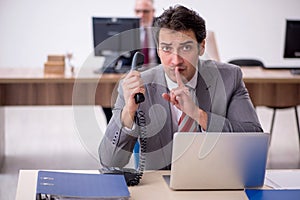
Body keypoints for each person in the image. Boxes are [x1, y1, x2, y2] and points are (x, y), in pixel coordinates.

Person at [99, 5, 263, 170]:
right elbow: (109, 161)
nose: (175, 60)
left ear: (201, 47)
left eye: (186, 48)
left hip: (215, 180)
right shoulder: (137, 85)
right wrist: (128, 112)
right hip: (159, 187)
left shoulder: (229, 77)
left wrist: (198, 115)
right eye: (167, 49)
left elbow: (254, 142)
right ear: (158, 49)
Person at [134, 0, 160, 66]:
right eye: (138, 11)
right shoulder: (129, 30)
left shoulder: (161, 28)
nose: (141, 15)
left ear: (153, 12)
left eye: (146, 11)